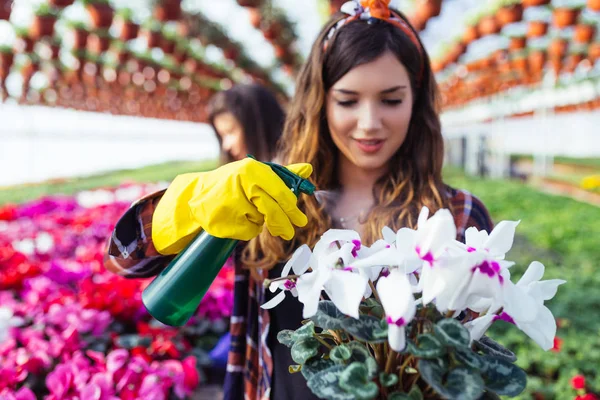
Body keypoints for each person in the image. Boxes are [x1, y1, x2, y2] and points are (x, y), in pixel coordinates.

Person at [103, 1, 494, 399]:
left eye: (391, 99)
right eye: (347, 100)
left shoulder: (457, 218)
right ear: (320, 101)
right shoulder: (268, 199)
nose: (369, 122)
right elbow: (124, 259)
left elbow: (460, 360)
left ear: (417, 100)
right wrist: (189, 206)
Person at [207, 83, 285, 163]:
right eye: (222, 136)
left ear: (256, 127)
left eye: (230, 132)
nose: (226, 146)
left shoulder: (289, 171)